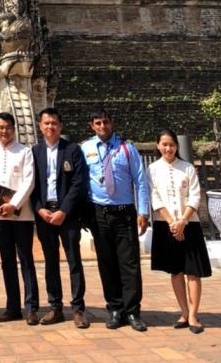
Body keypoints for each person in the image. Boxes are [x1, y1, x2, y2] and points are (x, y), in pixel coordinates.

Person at [81, 106, 150, 332]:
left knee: (129, 263)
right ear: (92, 126)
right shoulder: (86, 148)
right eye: (98, 123)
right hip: (98, 213)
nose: (102, 126)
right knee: (107, 262)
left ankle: (132, 311)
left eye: (105, 122)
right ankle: (114, 309)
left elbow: (140, 180)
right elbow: (81, 181)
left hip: (124, 212)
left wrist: (143, 212)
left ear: (112, 123)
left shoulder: (127, 148)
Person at [147, 128, 212, 334]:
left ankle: (193, 314)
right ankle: (183, 312)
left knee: (193, 271)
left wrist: (183, 220)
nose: (168, 148)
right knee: (176, 270)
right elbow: (154, 197)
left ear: (176, 146)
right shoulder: (152, 169)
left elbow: (195, 195)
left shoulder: (187, 168)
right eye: (164, 144)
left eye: (172, 144)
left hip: (189, 224)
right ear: (158, 146)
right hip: (165, 224)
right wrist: (172, 222)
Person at [31, 107, 89, 329]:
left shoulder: (72, 150)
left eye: (54, 123)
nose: (50, 127)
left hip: (68, 215)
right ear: (40, 126)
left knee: (74, 260)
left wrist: (64, 210)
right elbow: (31, 184)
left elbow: (79, 182)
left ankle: (78, 308)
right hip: (45, 214)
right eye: (46, 123)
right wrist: (39, 209)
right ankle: (55, 306)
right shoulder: (35, 152)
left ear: (60, 125)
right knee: (50, 261)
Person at [0, 111, 39, 326]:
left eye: (8, 127)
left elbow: (29, 182)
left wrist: (13, 204)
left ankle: (31, 307)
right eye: (0, 127)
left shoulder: (25, 152)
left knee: (26, 260)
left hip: (22, 215)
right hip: (0, 216)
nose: (4, 131)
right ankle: (12, 307)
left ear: (14, 129)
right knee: (7, 262)